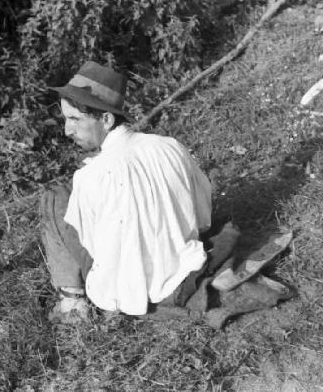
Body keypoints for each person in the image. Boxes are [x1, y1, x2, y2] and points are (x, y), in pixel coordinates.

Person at [40, 61, 292, 326]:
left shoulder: (89, 178)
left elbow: (95, 250)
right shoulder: (169, 147)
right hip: (183, 267)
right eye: (66, 119)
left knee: (55, 197)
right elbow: (203, 217)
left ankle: (72, 302)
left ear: (106, 119)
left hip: (123, 291)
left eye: (75, 119)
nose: (67, 130)